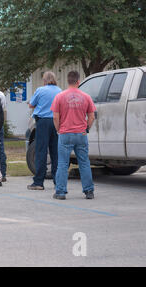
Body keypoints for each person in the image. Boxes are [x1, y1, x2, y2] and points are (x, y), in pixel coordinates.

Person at [51, 71, 96, 200]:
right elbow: (92, 116)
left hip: (65, 133)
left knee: (63, 163)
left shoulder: (60, 96)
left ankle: (60, 192)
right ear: (78, 81)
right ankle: (89, 191)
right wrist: (86, 129)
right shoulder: (86, 97)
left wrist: (59, 129)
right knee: (84, 162)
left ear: (68, 81)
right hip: (81, 134)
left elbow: (55, 116)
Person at [27, 71, 62, 190]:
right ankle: (58, 181)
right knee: (55, 152)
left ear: (44, 80)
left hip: (42, 122)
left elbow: (31, 105)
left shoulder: (40, 90)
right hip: (56, 121)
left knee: (41, 151)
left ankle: (38, 182)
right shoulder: (59, 91)